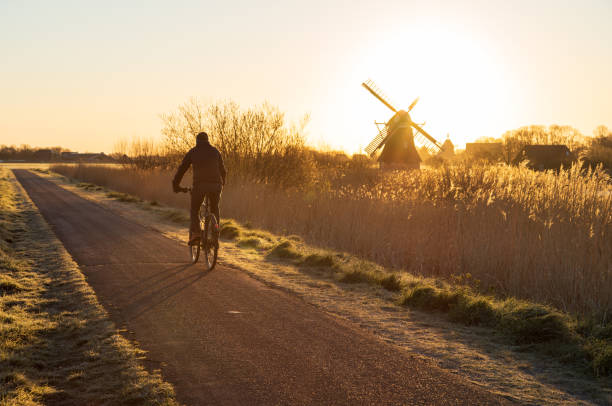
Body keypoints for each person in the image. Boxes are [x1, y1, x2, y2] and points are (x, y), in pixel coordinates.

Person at [172, 132, 226, 245]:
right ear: (208, 140)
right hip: (216, 185)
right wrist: (222, 184)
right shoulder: (215, 151)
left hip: (200, 186)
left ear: (197, 141)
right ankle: (215, 233)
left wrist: (176, 185)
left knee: (195, 209)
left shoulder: (193, 152)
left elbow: (182, 169)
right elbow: (223, 170)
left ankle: (196, 233)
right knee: (215, 208)